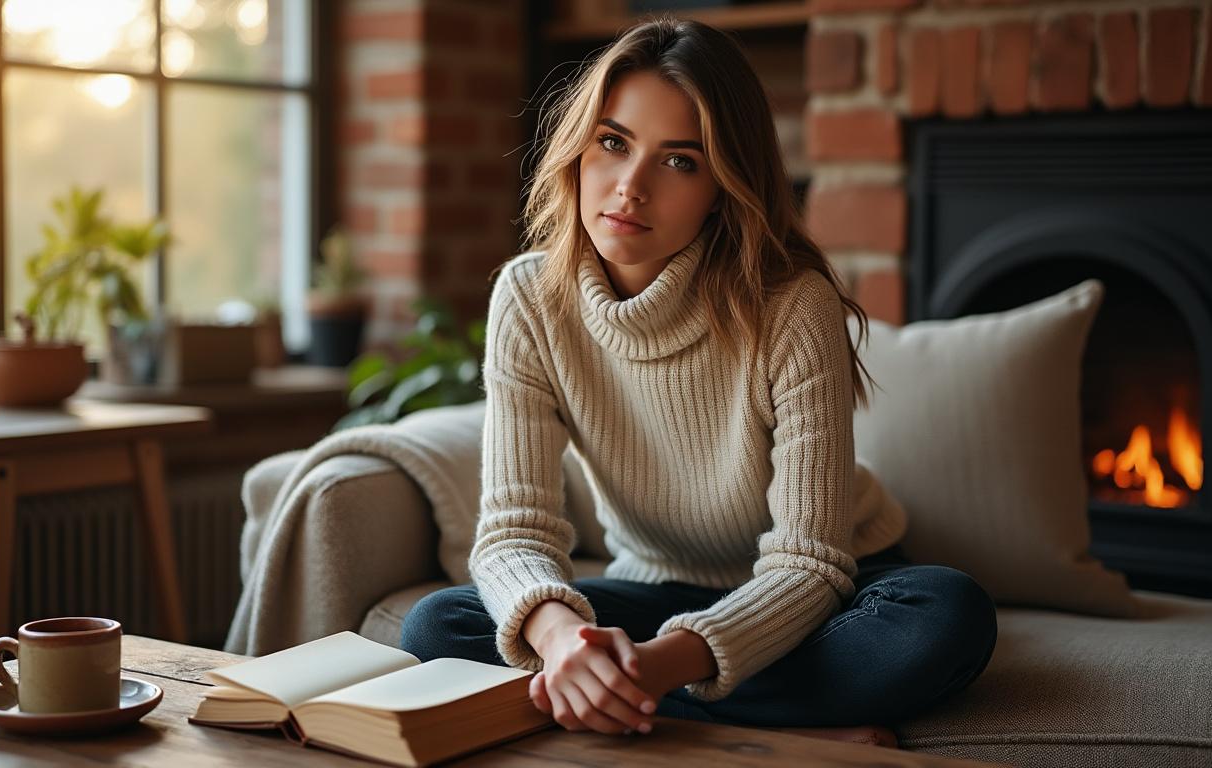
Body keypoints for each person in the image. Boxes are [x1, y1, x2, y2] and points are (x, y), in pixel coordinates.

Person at [400, 17, 997, 742]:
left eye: (679, 162)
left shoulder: (791, 303)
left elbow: (809, 562)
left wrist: (650, 671)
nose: (630, 188)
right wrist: (561, 642)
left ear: (723, 185)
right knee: (440, 624)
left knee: (946, 613)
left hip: (824, 591)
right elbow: (512, 534)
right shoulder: (530, 298)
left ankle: (637, 709)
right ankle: (790, 726)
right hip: (658, 584)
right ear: (578, 148)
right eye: (613, 143)